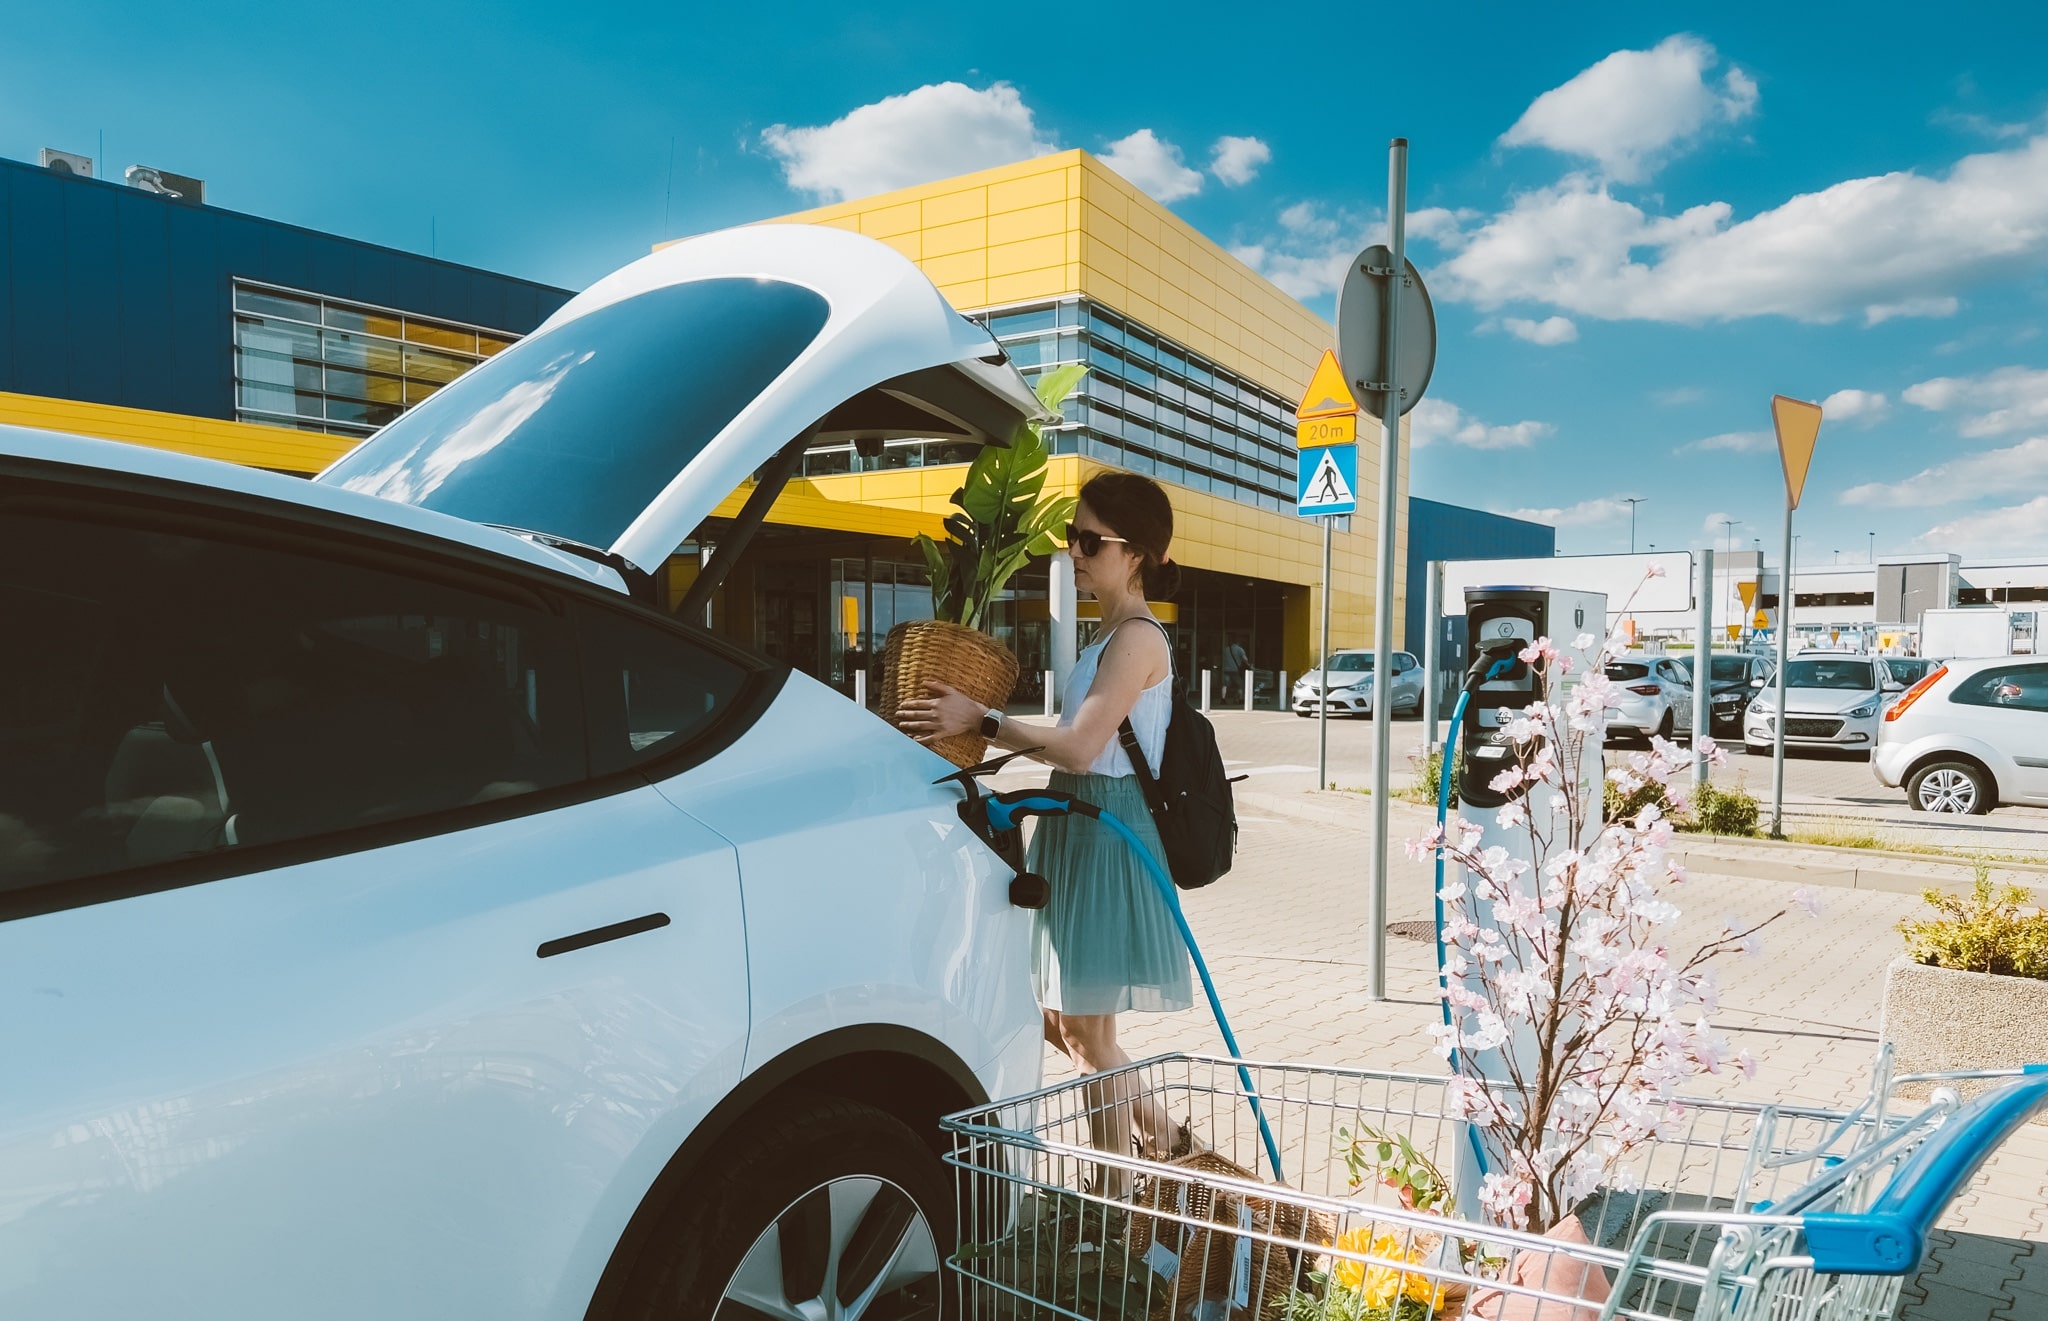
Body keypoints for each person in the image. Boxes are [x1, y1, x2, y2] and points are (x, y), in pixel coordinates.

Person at [896, 472, 1194, 1181]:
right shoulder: (1106, 632)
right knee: (1065, 1024)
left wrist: (983, 722)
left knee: (1087, 1032)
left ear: (1137, 553)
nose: (1075, 551)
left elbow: (1083, 744)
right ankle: (1167, 1133)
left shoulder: (1137, 638)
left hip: (1104, 830)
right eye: (1073, 537)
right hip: (1076, 823)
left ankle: (1113, 1204)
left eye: (1091, 540)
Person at [1220, 635, 1249, 704]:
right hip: (1235, 670)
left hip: (1226, 670)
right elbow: (1245, 659)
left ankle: (1223, 699)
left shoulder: (1226, 649)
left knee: (1225, 685)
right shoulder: (1239, 649)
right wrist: (1247, 664)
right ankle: (1241, 699)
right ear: (1238, 643)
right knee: (1240, 685)